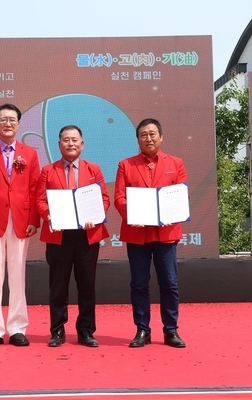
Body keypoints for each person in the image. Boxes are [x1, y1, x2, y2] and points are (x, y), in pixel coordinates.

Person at [114, 118, 187, 348]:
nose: (148, 138)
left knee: (170, 283)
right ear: (137, 139)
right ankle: (142, 329)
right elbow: (119, 198)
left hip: (166, 234)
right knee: (139, 284)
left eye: (152, 133)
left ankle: (171, 330)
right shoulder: (125, 165)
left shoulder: (176, 163)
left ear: (161, 137)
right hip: (137, 234)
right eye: (143, 135)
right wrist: (133, 214)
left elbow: (179, 197)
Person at [36, 125, 110, 348]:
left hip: (87, 235)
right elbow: (39, 200)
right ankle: (57, 331)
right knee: (58, 286)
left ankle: (86, 331)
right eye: (66, 140)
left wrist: (95, 216)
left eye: (74, 139)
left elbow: (103, 199)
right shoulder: (48, 171)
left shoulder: (94, 169)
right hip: (59, 235)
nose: (70, 143)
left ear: (82, 143)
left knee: (87, 285)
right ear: (59, 144)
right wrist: (49, 216)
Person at [0, 103, 41, 347]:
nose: (8, 123)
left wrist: (35, 220)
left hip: (21, 220)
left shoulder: (30, 153)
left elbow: (35, 188)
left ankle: (17, 328)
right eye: (3, 119)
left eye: (12, 119)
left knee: (17, 274)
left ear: (19, 123)